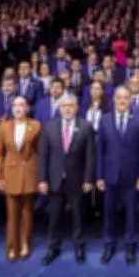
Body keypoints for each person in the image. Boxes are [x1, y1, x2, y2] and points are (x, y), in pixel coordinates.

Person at [38, 94, 95, 265]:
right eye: (64, 106)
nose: (68, 109)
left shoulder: (86, 126)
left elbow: (90, 156)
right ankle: (53, 247)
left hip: (77, 179)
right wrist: (42, 179)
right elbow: (43, 155)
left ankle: (79, 246)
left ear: (77, 108)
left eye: (71, 105)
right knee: (54, 216)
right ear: (59, 109)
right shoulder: (49, 126)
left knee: (78, 215)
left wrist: (88, 179)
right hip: (54, 179)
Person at [97, 86, 139, 265]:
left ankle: (130, 245)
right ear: (114, 99)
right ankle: (108, 245)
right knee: (109, 213)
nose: (122, 100)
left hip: (132, 175)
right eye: (119, 97)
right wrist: (99, 176)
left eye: (126, 97)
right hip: (110, 175)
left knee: (131, 214)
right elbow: (100, 151)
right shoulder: (104, 120)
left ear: (130, 100)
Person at [0, 96, 41, 262]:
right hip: (10, 173)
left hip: (29, 172)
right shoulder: (4, 127)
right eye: (15, 105)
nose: (18, 108)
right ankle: (12, 246)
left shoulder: (36, 126)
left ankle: (25, 243)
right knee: (12, 214)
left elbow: (40, 152)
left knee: (27, 213)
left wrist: (40, 177)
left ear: (27, 108)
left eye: (21, 105)